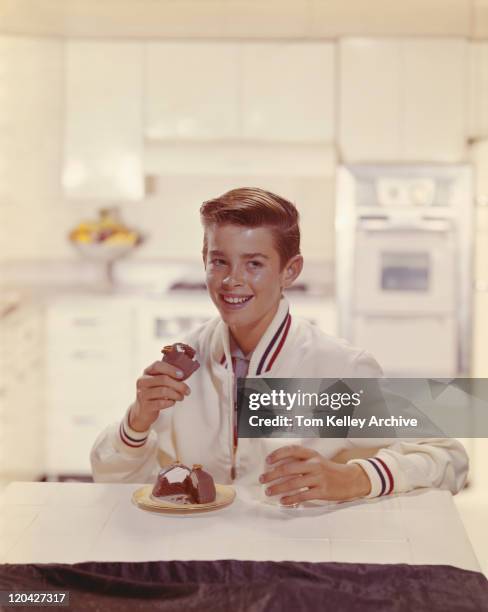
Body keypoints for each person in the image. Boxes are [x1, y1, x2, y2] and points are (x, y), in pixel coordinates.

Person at [90, 187, 468, 504]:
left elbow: (447, 457)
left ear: (290, 270)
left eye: (254, 264)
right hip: (198, 560)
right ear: (204, 261)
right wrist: (137, 422)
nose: (231, 281)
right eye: (219, 261)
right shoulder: (186, 363)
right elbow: (111, 480)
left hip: (300, 566)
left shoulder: (338, 369)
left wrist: (353, 479)